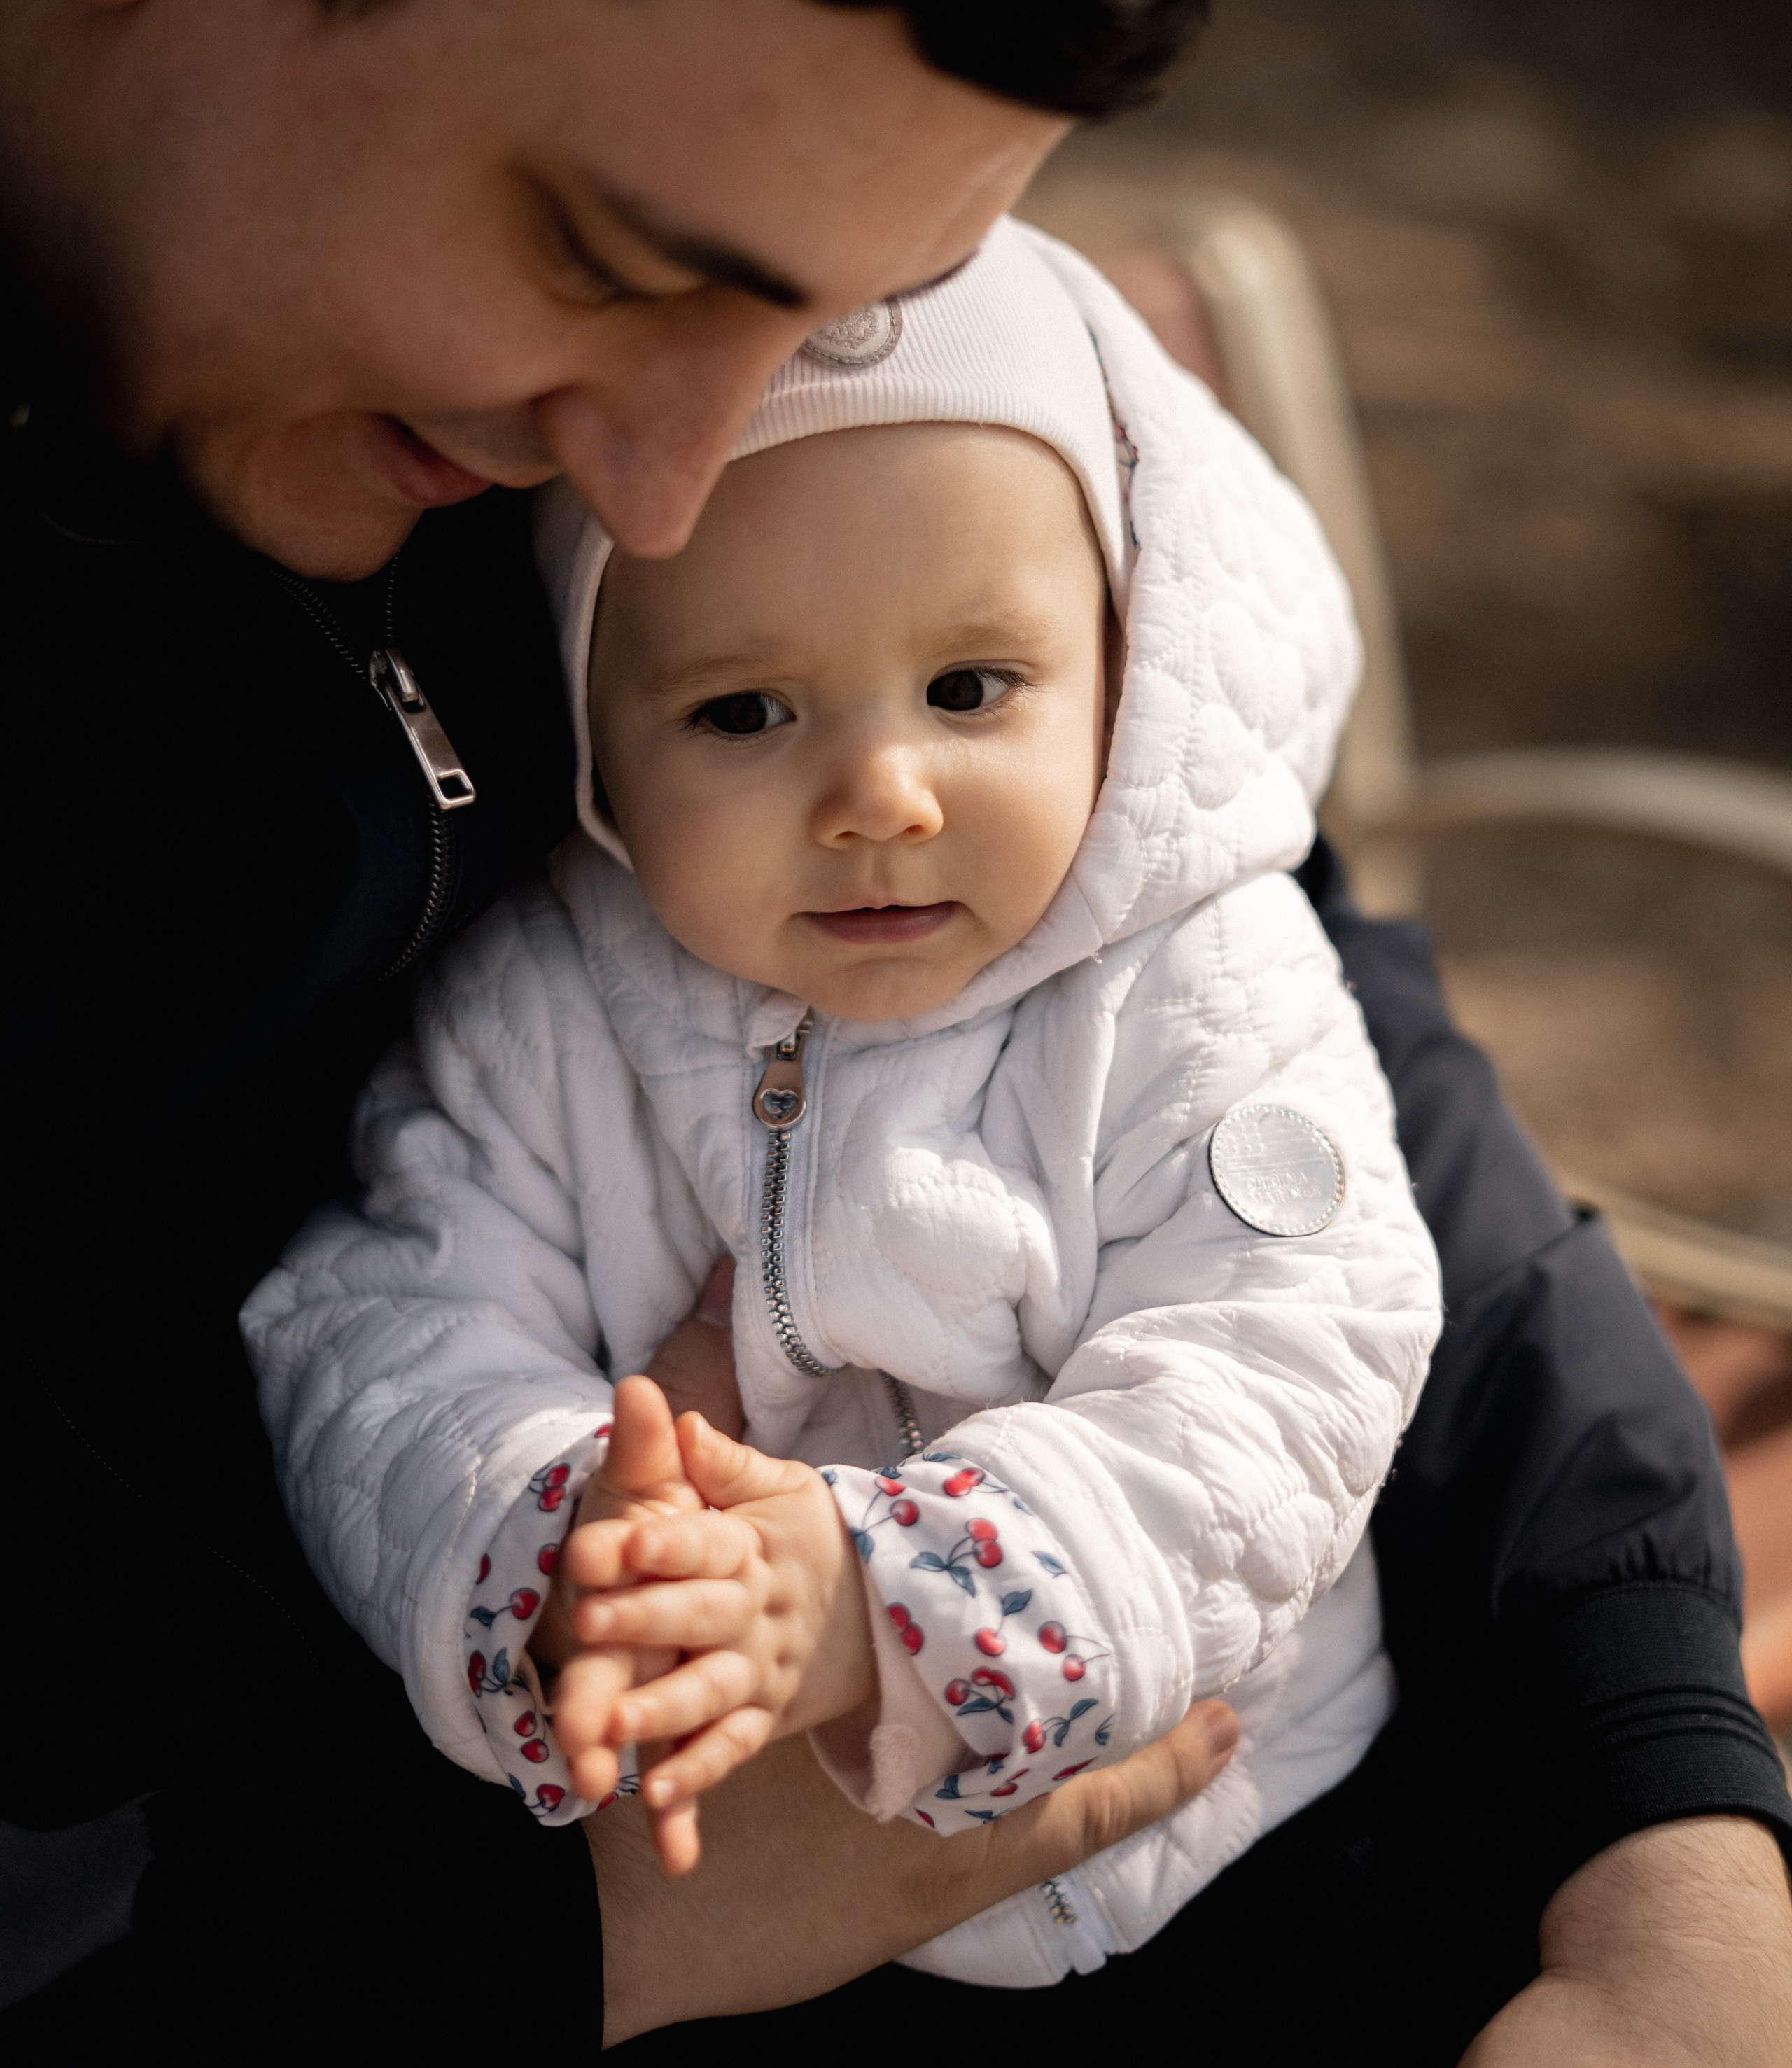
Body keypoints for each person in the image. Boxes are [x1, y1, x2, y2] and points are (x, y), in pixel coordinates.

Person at [1, 0, 1787, 2068]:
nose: (669, 493)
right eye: (617, 257)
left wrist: (1673, 1859)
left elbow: (1246, 971)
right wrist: (531, 1957)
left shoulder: (468, 401)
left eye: (846, 315)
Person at [244, 223, 1443, 1969]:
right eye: (743, 711)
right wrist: (549, 1529)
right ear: (597, 737)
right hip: (707, 1893)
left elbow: (1288, 1350)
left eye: (969, 688)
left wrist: (893, 1602)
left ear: (1123, 666)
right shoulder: (546, 999)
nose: (879, 792)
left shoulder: (1191, 980)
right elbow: (381, 1310)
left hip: (1210, 1835)